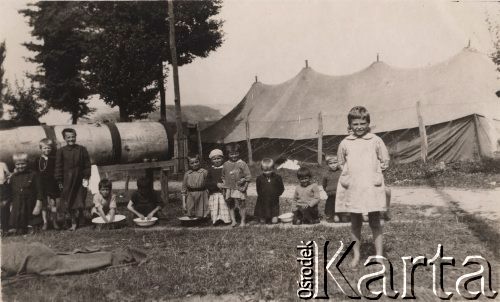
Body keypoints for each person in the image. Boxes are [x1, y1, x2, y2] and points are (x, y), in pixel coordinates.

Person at [336, 106, 390, 268]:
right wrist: (350, 174)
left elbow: (384, 160)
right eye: (355, 124)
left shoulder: (375, 140)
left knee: (375, 221)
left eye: (362, 123)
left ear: (368, 123)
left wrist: (376, 170)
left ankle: (379, 255)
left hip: (371, 187)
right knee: (355, 222)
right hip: (354, 188)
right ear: (350, 125)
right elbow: (340, 162)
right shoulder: (345, 143)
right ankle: (356, 255)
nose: (359, 127)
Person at [55, 128, 91, 231]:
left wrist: (86, 177)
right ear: (64, 138)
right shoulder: (61, 151)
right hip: (67, 180)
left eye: (73, 137)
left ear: (76, 136)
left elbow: (87, 165)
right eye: (68, 137)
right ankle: (73, 222)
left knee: (80, 200)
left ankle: (81, 217)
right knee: (69, 201)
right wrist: (59, 180)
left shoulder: (82, 149)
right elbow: (58, 167)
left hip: (80, 179)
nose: (71, 139)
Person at [7, 153, 43, 235]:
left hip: (31, 203)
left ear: (27, 163)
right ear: (15, 165)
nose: (20, 166)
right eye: (18, 164)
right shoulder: (13, 177)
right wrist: (12, 205)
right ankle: (21, 227)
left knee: (33, 222)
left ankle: (33, 227)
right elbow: (12, 193)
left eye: (23, 164)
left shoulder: (33, 174)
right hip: (19, 203)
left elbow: (40, 191)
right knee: (20, 230)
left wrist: (38, 204)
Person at [222, 144, 251, 227]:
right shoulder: (225, 164)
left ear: (239, 153)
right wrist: (224, 186)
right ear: (227, 154)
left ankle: (243, 221)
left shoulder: (242, 163)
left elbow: (248, 176)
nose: (234, 155)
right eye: (231, 154)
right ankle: (233, 221)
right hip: (229, 188)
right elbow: (223, 176)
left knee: (241, 204)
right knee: (230, 205)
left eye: (236, 153)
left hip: (239, 188)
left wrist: (244, 181)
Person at [37, 138, 61, 230]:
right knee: (44, 205)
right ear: (40, 148)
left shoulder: (54, 159)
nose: (47, 150)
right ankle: (45, 222)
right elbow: (36, 173)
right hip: (42, 185)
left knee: (53, 204)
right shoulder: (37, 160)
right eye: (44, 148)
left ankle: (54, 221)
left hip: (52, 184)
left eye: (49, 148)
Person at [254, 158, 284, 224]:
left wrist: (277, 194)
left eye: (269, 170)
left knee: (274, 221)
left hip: (274, 200)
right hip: (263, 199)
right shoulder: (259, 178)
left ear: (273, 168)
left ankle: (273, 217)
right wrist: (262, 195)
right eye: (265, 171)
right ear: (262, 169)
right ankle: (263, 217)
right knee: (262, 221)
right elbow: (258, 189)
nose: (267, 172)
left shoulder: (277, 177)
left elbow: (281, 188)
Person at [206, 149, 231, 225]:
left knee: (224, 205)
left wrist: (225, 184)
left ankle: (226, 219)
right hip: (214, 192)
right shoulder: (210, 170)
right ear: (211, 160)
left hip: (224, 192)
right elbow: (207, 182)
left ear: (222, 159)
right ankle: (216, 219)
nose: (217, 160)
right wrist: (216, 184)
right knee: (215, 207)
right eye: (214, 159)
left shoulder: (226, 168)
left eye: (218, 158)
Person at [181, 154, 210, 219]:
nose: (194, 164)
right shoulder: (187, 174)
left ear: (199, 162)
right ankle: (192, 217)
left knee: (202, 215)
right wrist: (183, 203)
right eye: (192, 163)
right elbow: (184, 189)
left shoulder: (204, 172)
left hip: (202, 194)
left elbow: (208, 185)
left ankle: (202, 218)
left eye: (196, 162)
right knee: (191, 213)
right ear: (189, 164)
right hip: (191, 195)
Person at [322, 155, 342, 223]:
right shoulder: (326, 174)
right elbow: (324, 185)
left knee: (340, 205)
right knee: (330, 206)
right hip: (331, 194)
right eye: (330, 163)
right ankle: (330, 216)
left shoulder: (341, 172)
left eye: (335, 162)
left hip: (340, 194)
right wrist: (328, 190)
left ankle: (340, 215)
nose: (333, 165)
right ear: (327, 164)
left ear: (338, 163)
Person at [0, 161, 11, 233]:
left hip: (2, 187)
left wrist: (6, 180)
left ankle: (5, 228)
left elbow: (8, 174)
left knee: (3, 207)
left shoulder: (2, 164)